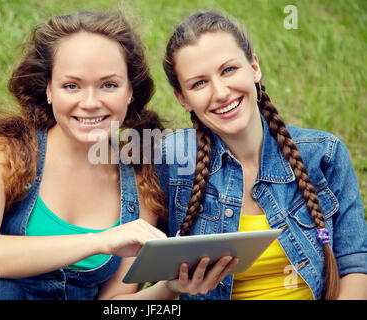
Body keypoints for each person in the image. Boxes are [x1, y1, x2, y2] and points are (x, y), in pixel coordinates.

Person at [0, 11, 236, 300]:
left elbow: (113, 304)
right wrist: (99, 242)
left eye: (109, 85)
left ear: (130, 92)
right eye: (71, 86)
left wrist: (170, 288)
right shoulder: (5, 151)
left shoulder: (140, 185)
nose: (90, 103)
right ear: (49, 89)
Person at [157, 11, 367, 300]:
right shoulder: (169, 161)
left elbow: (354, 266)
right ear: (182, 99)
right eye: (199, 83)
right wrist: (169, 288)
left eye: (229, 70)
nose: (220, 92)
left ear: (254, 67)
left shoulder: (324, 154)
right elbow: (121, 297)